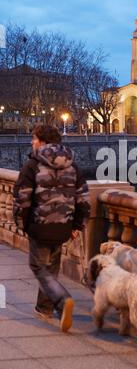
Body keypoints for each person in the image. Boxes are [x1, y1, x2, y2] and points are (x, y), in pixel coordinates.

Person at [13, 125, 90, 332]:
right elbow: (83, 200)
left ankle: (62, 300)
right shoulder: (73, 166)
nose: (32, 142)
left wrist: (21, 223)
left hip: (40, 225)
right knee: (51, 266)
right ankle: (44, 307)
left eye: (34, 138)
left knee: (39, 267)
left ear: (44, 142)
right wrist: (77, 226)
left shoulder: (33, 165)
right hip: (64, 226)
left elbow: (22, 199)